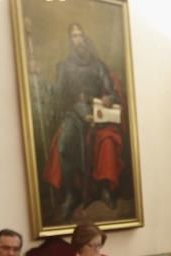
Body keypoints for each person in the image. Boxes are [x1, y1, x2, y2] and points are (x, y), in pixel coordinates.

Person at [43, 22, 127, 221]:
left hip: (98, 114)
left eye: (80, 35)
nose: (78, 40)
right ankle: (72, 194)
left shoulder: (97, 66)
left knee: (107, 141)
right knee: (64, 141)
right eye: (74, 36)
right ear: (70, 40)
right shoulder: (64, 66)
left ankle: (105, 190)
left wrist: (109, 98)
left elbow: (112, 93)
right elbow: (59, 95)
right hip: (74, 113)